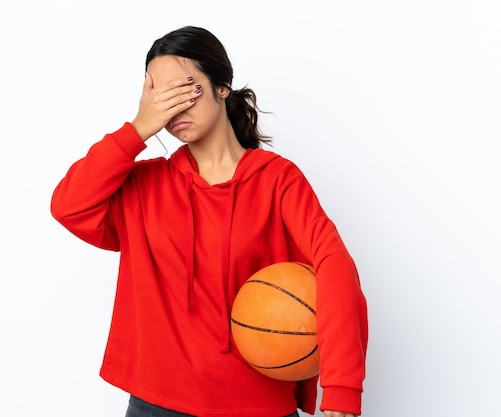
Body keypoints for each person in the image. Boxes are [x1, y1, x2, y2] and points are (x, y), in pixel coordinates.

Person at [51, 26, 368, 417]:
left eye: (188, 90)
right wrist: (137, 129)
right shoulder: (143, 186)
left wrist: (341, 389)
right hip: (156, 405)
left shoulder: (277, 179)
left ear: (222, 87)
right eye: (162, 97)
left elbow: (334, 266)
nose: (175, 108)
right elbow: (69, 206)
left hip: (257, 406)